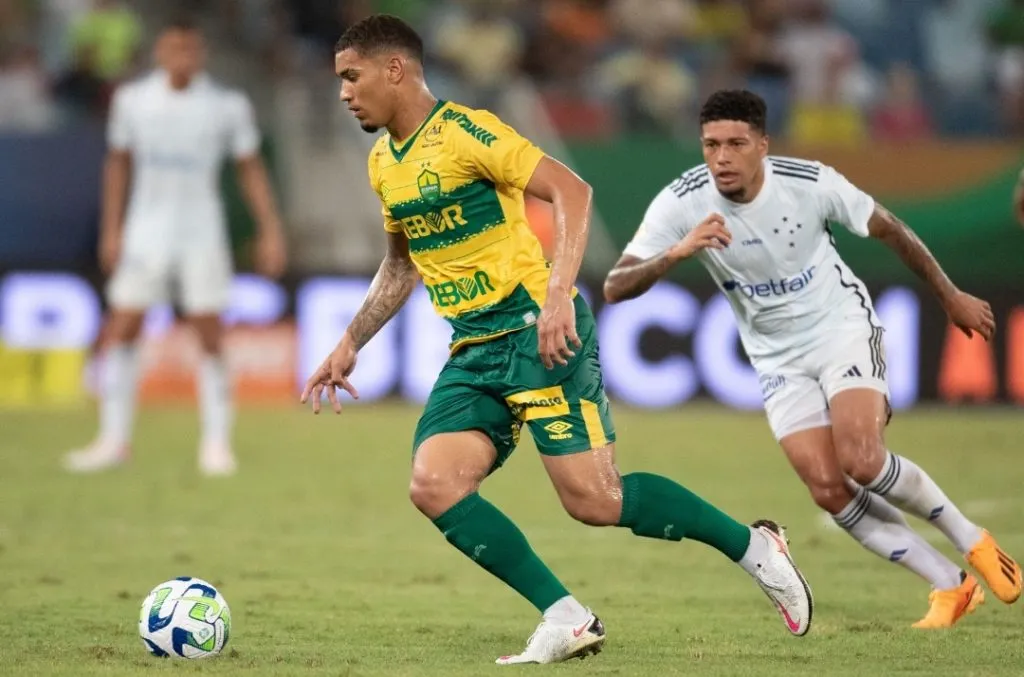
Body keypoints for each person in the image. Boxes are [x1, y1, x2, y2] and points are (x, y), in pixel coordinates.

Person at [301, 15, 813, 666]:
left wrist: (554, 296)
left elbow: (571, 189)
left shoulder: (465, 131)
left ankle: (754, 546)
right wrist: (351, 340)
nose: (343, 92)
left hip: (534, 332)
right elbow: (402, 262)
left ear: (394, 69)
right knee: (434, 482)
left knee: (596, 501)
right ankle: (566, 615)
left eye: (352, 76)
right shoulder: (383, 162)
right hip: (474, 349)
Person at [603, 89, 1022, 629]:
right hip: (775, 359)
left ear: (763, 145)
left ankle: (973, 539)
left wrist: (950, 295)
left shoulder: (808, 182)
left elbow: (890, 227)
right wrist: (676, 252)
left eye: (735, 143)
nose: (722, 157)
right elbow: (615, 286)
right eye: (711, 145)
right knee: (827, 488)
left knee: (863, 459)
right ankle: (950, 585)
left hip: (840, 329)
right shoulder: (682, 201)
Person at [64, 17, 287, 477]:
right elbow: (118, 165)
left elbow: (250, 168)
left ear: (200, 52)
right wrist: (112, 228)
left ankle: (217, 442)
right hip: (146, 230)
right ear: (160, 52)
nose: (183, 57)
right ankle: (113, 439)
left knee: (209, 331)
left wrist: (269, 228)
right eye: (174, 49)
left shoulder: (226, 105)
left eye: (190, 49)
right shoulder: (133, 101)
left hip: (202, 230)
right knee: (123, 326)